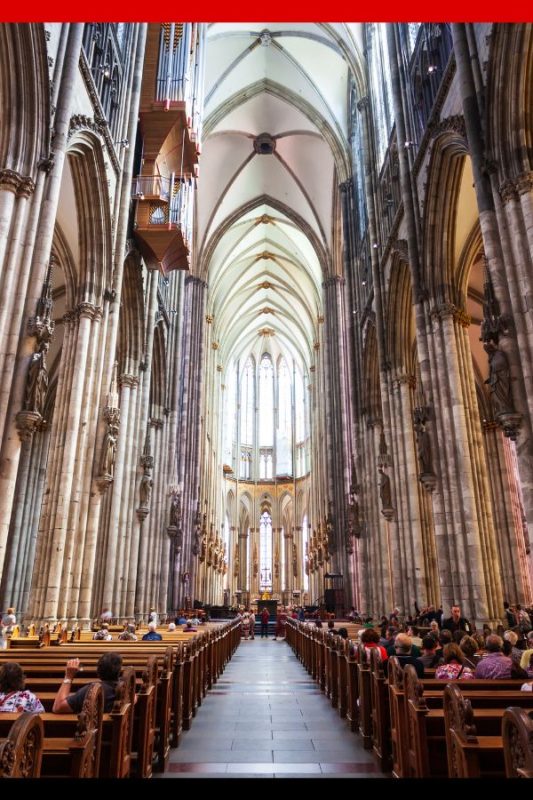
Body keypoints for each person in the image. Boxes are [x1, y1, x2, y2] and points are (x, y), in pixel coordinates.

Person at [53, 652, 122, 714]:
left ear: (98, 672)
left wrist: (68, 677)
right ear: (119, 671)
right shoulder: (127, 688)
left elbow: (58, 707)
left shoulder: (92, 691)